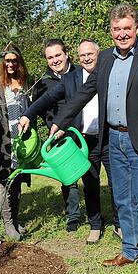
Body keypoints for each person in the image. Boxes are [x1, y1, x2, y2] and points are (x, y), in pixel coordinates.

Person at [51, 3, 138, 274]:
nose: (122, 34)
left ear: (136, 28)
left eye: (126, 28)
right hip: (113, 139)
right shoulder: (107, 58)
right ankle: (129, 250)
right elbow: (86, 91)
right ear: (110, 32)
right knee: (122, 198)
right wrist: (60, 121)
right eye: (116, 29)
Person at [19, 39, 120, 244]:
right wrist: (28, 114)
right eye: (83, 55)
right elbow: (46, 99)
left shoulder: (110, 74)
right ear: (78, 57)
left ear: (98, 54)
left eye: (90, 53)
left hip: (109, 138)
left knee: (116, 183)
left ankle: (120, 224)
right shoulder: (71, 79)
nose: (87, 58)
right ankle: (95, 225)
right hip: (84, 142)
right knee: (90, 184)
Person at [0, 44, 34, 241]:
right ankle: (8, 223)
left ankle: (15, 218)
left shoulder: (25, 82)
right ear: (2, 62)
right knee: (5, 181)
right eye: (7, 60)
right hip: (5, 139)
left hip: (22, 139)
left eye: (14, 60)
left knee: (18, 179)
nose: (10, 64)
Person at [35, 39, 82, 232]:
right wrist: (52, 122)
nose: (55, 60)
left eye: (57, 55)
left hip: (83, 130)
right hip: (59, 135)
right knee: (68, 177)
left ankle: (98, 213)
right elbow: (40, 107)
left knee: (90, 172)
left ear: (66, 54)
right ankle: (74, 215)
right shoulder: (43, 82)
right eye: (50, 57)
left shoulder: (81, 73)